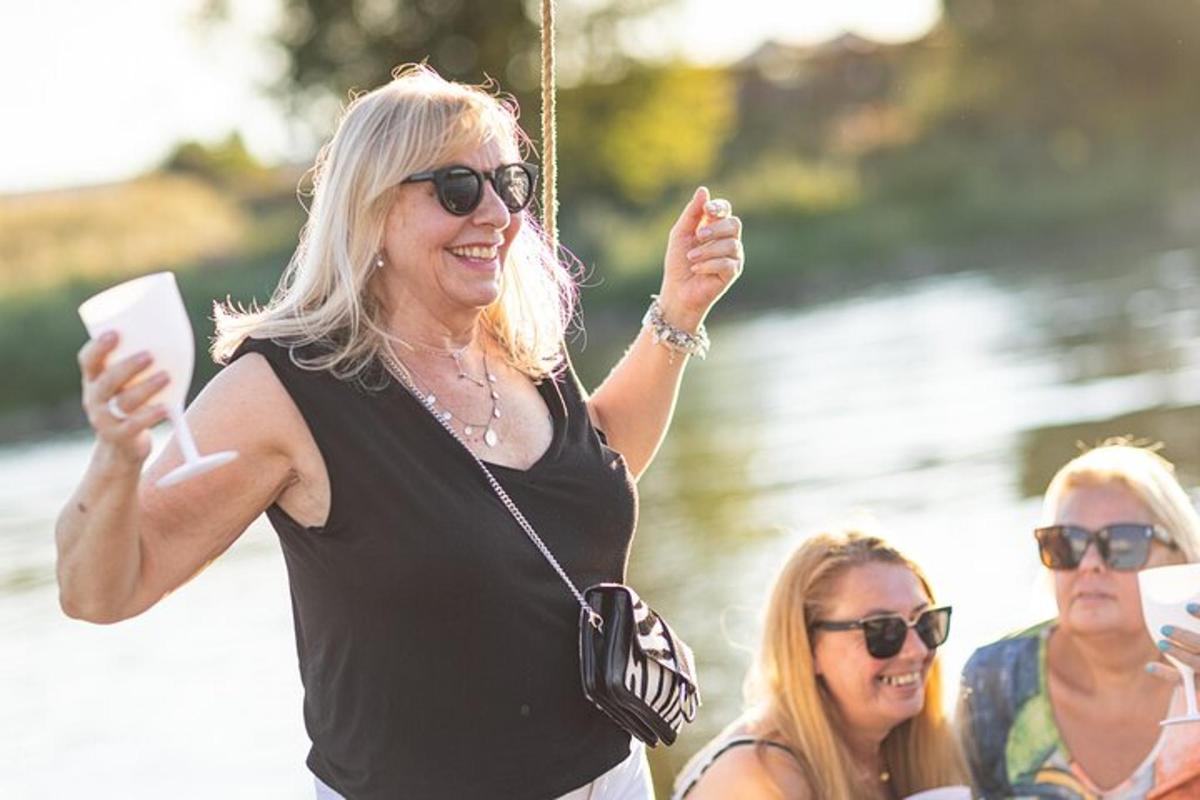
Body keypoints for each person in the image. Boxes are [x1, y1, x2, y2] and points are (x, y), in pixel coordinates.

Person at [54, 64, 744, 800]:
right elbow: (103, 590)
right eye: (458, 189)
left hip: (614, 776)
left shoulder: (510, 339)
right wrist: (117, 460)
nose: (497, 216)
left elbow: (595, 469)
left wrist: (678, 312)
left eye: (509, 184)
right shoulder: (286, 388)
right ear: (372, 208)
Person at [959, 439, 1200, 799]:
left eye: (1121, 544)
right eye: (1065, 544)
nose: (1088, 564)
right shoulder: (995, 681)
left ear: (1179, 557)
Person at [672, 530, 967, 799]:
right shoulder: (756, 777)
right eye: (883, 631)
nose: (916, 650)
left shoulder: (914, 749)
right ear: (807, 647)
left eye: (927, 623)